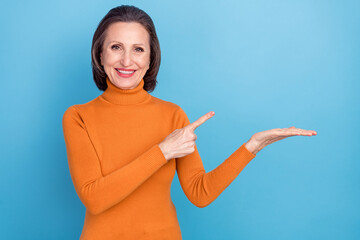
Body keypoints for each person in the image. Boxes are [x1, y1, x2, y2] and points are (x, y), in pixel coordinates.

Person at [62, 5, 317, 240]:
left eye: (138, 49)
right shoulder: (78, 117)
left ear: (151, 58)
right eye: (116, 47)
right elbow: (95, 198)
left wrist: (252, 146)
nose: (127, 61)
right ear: (100, 53)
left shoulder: (172, 115)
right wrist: (162, 151)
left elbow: (200, 192)